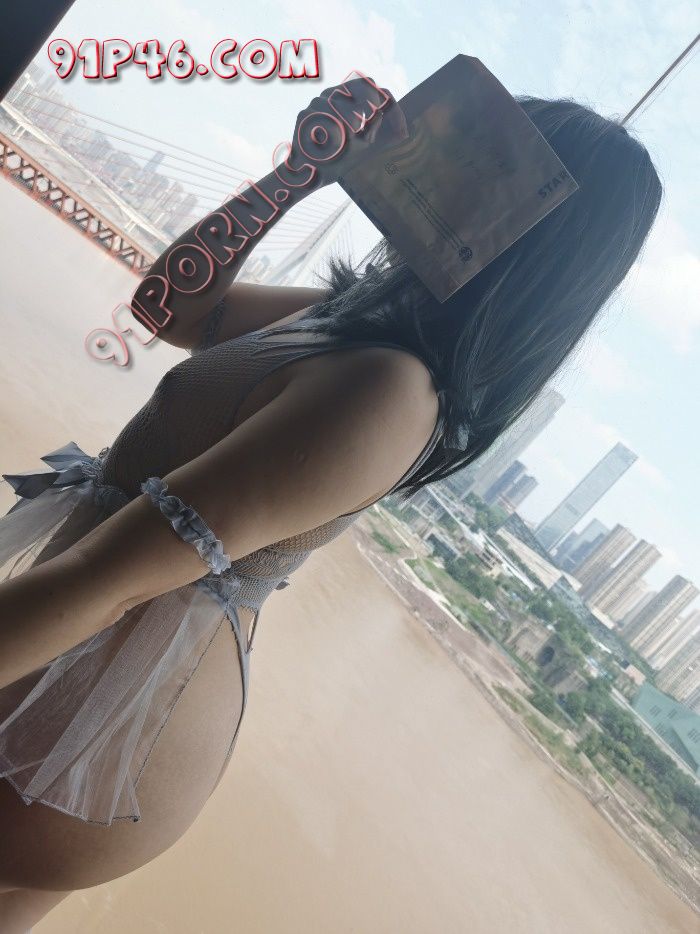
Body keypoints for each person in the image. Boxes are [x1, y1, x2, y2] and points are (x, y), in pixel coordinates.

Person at [0, 76, 661, 931]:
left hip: (85, 734)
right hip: (78, 700)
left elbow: (110, 579)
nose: (442, 155)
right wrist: (297, 178)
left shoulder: (388, 390)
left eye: (483, 155)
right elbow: (171, 307)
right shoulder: (352, 323)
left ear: (532, 231)